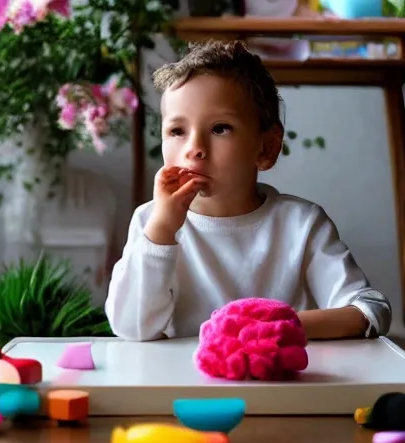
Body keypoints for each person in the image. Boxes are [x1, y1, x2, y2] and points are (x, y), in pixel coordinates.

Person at [104, 39, 391, 342]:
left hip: (283, 384)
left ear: (266, 148)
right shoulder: (150, 222)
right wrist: (161, 232)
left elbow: (371, 309)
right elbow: (130, 328)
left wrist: (276, 324)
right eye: (177, 131)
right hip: (189, 384)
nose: (194, 149)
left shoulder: (301, 225)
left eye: (220, 129)